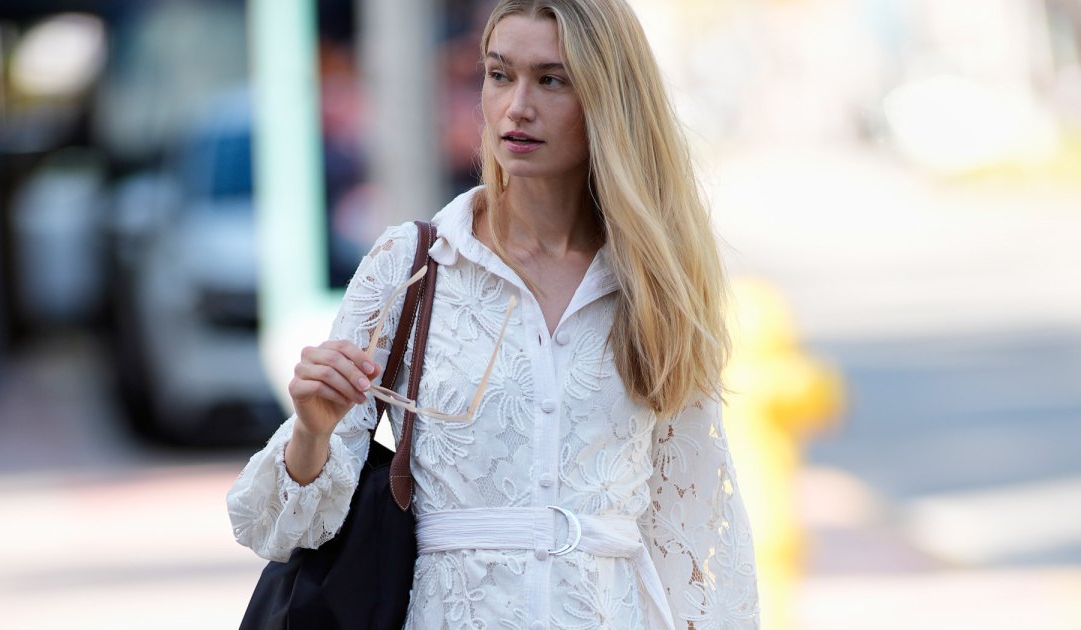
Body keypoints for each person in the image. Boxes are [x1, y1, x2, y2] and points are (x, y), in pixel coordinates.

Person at [227, 0, 761, 627]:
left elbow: (693, 536)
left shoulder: (655, 282)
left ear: (609, 99)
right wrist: (313, 430)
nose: (517, 107)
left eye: (552, 80)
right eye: (500, 74)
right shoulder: (415, 264)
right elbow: (277, 527)